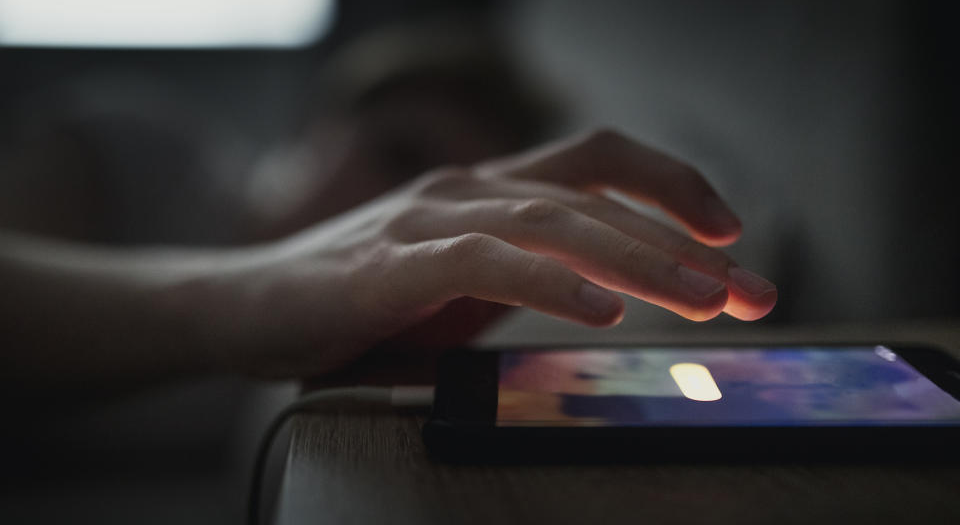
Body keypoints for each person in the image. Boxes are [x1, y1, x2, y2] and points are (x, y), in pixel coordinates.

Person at [1, 127, 777, 397]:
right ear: (323, 123)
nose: (395, 202)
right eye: (397, 154)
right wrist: (241, 289)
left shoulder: (359, 320)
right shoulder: (140, 149)